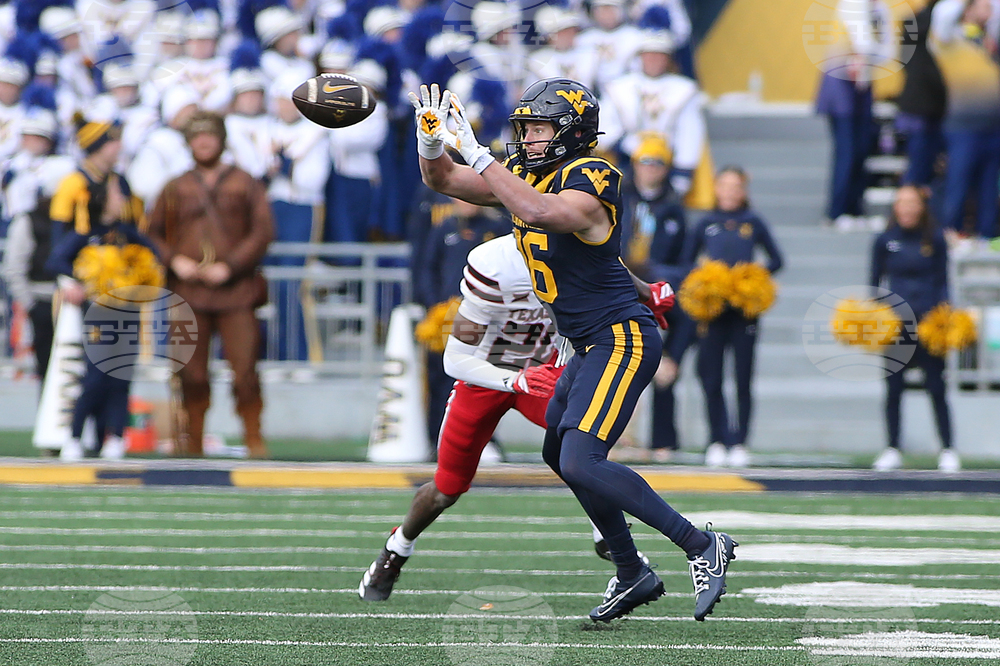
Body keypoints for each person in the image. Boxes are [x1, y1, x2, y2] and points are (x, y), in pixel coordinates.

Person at [410, 79, 734, 622]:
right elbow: (444, 178)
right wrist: (430, 140)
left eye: (537, 129)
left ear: (571, 132)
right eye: (525, 129)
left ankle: (701, 544)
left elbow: (543, 214)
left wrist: (480, 153)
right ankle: (631, 571)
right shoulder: (528, 179)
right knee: (559, 453)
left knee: (583, 458)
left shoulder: (593, 174)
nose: (527, 139)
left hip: (620, 339)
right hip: (585, 342)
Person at [359, 233, 562, 601]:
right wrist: (515, 379)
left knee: (583, 447)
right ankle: (397, 547)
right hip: (485, 379)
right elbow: (455, 359)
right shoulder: (493, 272)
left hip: (542, 372)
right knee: (446, 487)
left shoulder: (574, 252)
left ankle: (613, 543)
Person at [146, 111, 274, 458]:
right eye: (196, 137)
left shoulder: (245, 182)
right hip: (188, 293)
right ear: (188, 143)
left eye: (210, 136)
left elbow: (263, 231)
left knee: (245, 370)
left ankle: (253, 436)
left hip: (237, 293)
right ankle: (193, 439)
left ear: (221, 140)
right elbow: (153, 232)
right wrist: (175, 260)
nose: (203, 142)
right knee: (190, 373)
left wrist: (230, 266)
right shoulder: (175, 186)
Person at [46, 115, 156, 461]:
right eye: (110, 142)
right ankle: (76, 435)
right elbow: (58, 247)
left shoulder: (121, 194)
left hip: (124, 302)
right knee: (93, 372)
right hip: (91, 298)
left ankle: (113, 437)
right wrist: (72, 283)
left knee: (120, 373)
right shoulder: (73, 187)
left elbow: (148, 250)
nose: (117, 147)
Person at [683, 167, 783, 468]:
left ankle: (739, 442)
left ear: (744, 191)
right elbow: (687, 262)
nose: (729, 191)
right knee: (711, 378)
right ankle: (716, 439)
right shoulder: (704, 223)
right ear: (715, 189)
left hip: (743, 313)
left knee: (742, 378)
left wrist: (752, 280)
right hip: (712, 312)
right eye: (724, 185)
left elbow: (777, 259)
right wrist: (704, 283)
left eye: (735, 186)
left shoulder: (753, 223)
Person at [870, 185, 957, 472]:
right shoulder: (884, 239)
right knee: (893, 389)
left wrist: (943, 316)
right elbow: (874, 285)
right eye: (901, 203)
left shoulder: (935, 238)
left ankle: (947, 448)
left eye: (911, 203)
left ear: (921, 206)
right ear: (895, 207)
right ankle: (893, 447)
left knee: (936, 387)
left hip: (928, 325)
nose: (906, 208)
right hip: (896, 328)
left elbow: (944, 281)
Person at [412, 197, 511, 445]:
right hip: (448, 317)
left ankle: (485, 441)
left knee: (484, 380)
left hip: (486, 316)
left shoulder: (497, 228)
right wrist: (435, 305)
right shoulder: (444, 228)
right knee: (443, 379)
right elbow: (427, 268)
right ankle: (438, 439)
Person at [620, 134, 691, 462]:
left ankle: (664, 441)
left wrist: (672, 356)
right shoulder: (617, 197)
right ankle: (617, 437)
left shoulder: (675, 208)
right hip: (619, 286)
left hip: (658, 289)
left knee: (663, 367)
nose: (650, 169)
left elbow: (683, 263)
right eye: (645, 161)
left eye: (657, 162)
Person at [814, 0, 895, 231]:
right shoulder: (852, 4)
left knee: (862, 149)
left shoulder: (879, 10)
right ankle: (836, 211)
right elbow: (866, 44)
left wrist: (872, 51)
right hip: (841, 88)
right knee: (847, 151)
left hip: (862, 87)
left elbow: (887, 52)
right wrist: (871, 51)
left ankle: (855, 208)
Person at [599, 30, 706, 199]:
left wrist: (683, 170)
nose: (654, 60)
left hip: (667, 162)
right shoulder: (618, 87)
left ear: (668, 59)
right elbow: (604, 125)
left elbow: (690, 132)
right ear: (640, 57)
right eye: (649, 55)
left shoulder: (685, 89)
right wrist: (625, 144)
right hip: (625, 160)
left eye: (659, 55)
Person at [930, 0, 1000, 239]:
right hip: (963, 125)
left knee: (990, 186)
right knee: (958, 182)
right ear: (967, 9)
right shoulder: (950, 41)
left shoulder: (990, 41)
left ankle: (986, 234)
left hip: (993, 126)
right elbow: (944, 16)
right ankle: (950, 232)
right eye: (983, 4)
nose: (990, 8)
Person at [895, 0, 947, 187]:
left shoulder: (916, 23)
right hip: (921, 106)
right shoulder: (922, 24)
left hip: (927, 106)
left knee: (927, 165)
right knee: (919, 167)